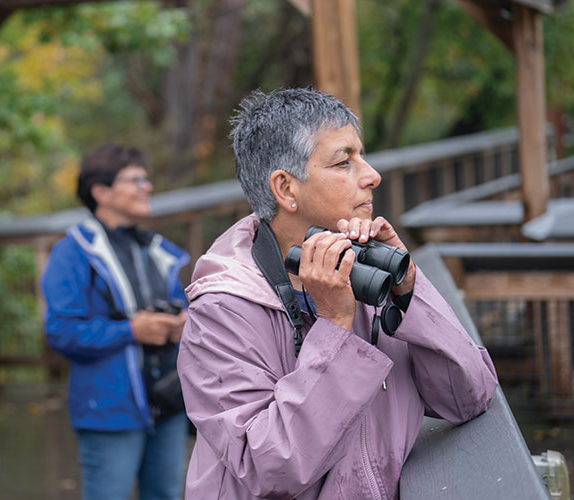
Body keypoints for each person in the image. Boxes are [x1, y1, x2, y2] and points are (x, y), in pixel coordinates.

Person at [176, 87, 499, 500]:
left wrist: (408, 292)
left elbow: (469, 397)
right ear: (286, 189)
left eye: (362, 156)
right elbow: (269, 470)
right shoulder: (222, 311)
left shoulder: (363, 269)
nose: (371, 175)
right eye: (344, 162)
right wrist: (333, 326)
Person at [41, 145, 190, 500]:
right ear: (101, 192)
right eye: (135, 179)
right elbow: (60, 331)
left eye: (146, 178)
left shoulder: (156, 249)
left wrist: (185, 321)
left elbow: (180, 303)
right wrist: (130, 331)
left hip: (169, 404)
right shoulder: (72, 252)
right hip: (109, 411)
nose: (147, 186)